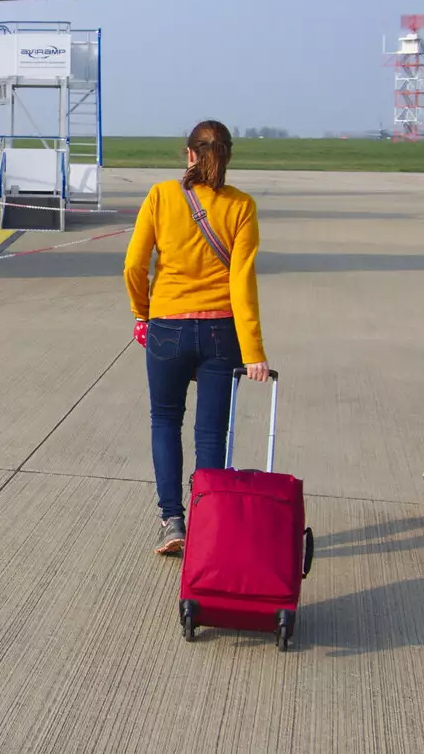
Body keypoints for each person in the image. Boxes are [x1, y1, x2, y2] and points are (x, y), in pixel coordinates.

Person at [123, 120, 269, 556]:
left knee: (165, 420)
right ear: (227, 156)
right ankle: (209, 518)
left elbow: (134, 265)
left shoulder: (162, 196)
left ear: (189, 153)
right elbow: (242, 282)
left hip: (167, 326)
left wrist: (142, 312)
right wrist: (255, 350)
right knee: (211, 434)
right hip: (221, 331)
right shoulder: (241, 206)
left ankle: (172, 521)